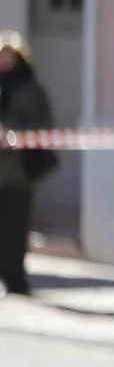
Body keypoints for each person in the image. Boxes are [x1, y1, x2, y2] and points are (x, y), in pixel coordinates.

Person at [0, 31, 55, 297]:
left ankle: (15, 280)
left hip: (17, 172)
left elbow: (40, 126)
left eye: (8, 56)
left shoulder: (29, 88)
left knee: (14, 227)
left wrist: (12, 133)